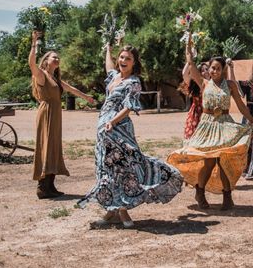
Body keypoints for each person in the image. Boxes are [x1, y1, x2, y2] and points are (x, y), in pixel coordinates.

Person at [78, 44, 183, 228]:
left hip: (119, 129)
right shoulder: (114, 77)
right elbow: (108, 66)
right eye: (122, 57)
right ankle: (112, 211)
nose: (123, 61)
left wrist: (113, 122)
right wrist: (108, 48)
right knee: (105, 168)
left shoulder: (134, 82)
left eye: (127, 59)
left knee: (125, 166)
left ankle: (123, 211)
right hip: (103, 130)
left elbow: (129, 107)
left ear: (134, 63)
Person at [167, 52, 253, 210]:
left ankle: (227, 197)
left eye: (218, 68)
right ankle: (200, 192)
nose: (214, 71)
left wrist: (251, 119)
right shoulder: (204, 83)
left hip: (224, 125)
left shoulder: (230, 85)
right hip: (207, 126)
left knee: (223, 161)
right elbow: (191, 65)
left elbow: (240, 105)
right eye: (212, 68)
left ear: (223, 69)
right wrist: (189, 43)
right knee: (208, 162)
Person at [29, 30, 96, 199]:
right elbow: (31, 64)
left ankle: (50, 186)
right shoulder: (41, 75)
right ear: (46, 61)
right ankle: (42, 187)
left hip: (56, 114)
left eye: (58, 57)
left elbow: (71, 89)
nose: (57, 59)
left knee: (54, 147)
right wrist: (34, 43)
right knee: (46, 146)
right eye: (54, 57)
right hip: (47, 114)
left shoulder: (56, 79)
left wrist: (86, 97)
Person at [181, 46, 210, 139]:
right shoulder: (196, 84)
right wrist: (191, 58)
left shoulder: (216, 84)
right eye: (202, 70)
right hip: (196, 115)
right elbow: (184, 74)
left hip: (210, 115)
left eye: (207, 69)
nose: (205, 72)